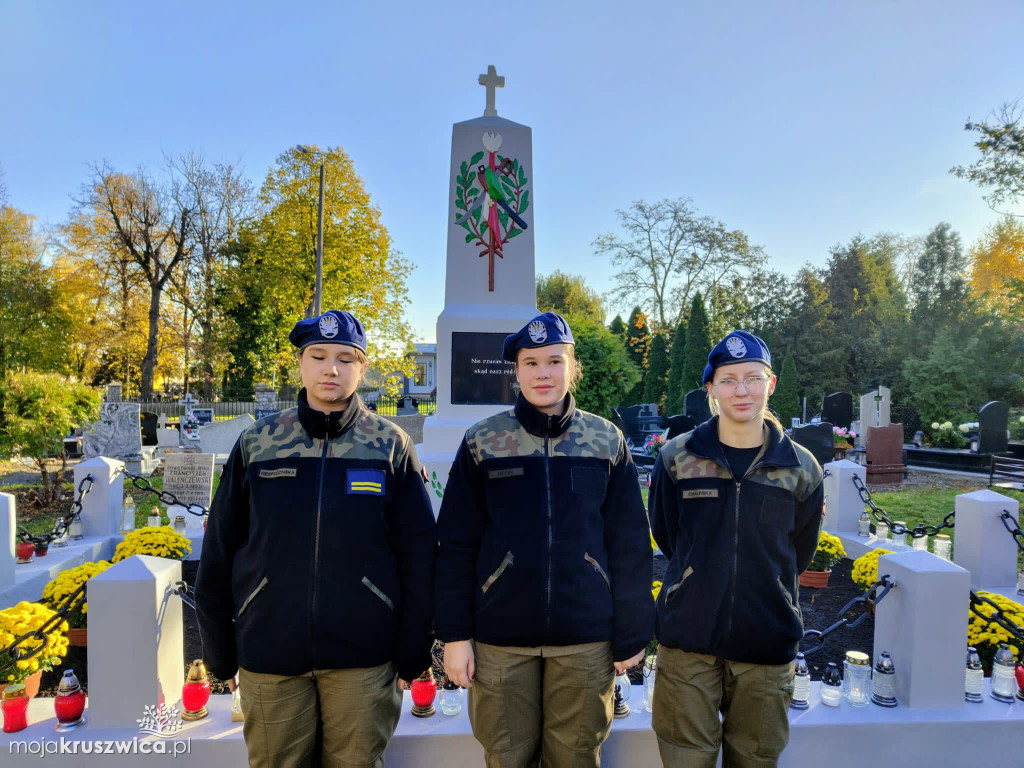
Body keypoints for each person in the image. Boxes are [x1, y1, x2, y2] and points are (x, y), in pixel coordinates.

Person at [196, 310, 436, 768]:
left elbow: (418, 556)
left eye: (346, 359)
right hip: (270, 653)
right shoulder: (259, 443)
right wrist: (219, 654)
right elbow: (220, 551)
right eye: (319, 356)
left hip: (363, 658)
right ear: (300, 364)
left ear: (362, 369)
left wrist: (412, 650)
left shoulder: (390, 444)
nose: (331, 369)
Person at [435, 312, 654, 768]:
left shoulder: (604, 439)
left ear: (571, 367)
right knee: (506, 756)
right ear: (515, 371)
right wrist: (455, 635)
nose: (542, 373)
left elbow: (630, 540)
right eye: (530, 363)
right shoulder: (484, 441)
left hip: (584, 639)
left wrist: (632, 629)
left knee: (576, 757)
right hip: (501, 641)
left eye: (554, 361)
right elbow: (456, 543)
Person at [649, 330, 824, 768]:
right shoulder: (677, 458)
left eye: (753, 377)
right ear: (710, 389)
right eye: (728, 379)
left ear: (772, 383)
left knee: (755, 760)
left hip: (766, 641)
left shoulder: (802, 469)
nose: (741, 390)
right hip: (688, 641)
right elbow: (668, 536)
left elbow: (799, 550)